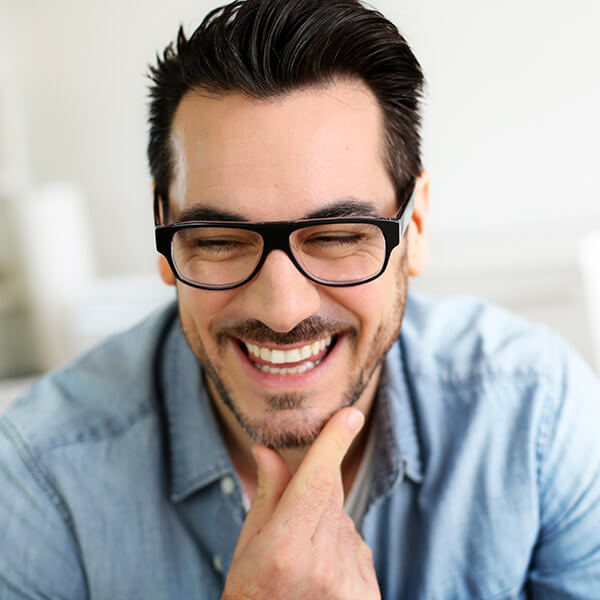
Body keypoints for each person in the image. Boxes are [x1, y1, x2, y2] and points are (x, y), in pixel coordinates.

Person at [1, 0, 599, 598]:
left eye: (338, 237)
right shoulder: (40, 477)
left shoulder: (538, 417)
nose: (282, 308)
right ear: (163, 235)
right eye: (219, 240)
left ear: (413, 228)